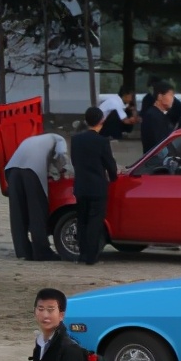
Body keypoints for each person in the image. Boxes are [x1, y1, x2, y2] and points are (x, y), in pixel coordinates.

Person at [4, 133, 69, 261]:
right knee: (37, 211)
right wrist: (64, 169)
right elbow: (61, 155)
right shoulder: (58, 138)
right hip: (31, 171)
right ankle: (42, 252)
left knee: (18, 213)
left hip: (11, 171)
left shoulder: (32, 140)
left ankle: (23, 251)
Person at [70, 108, 117, 266]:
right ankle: (91, 257)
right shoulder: (102, 141)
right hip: (97, 187)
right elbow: (110, 164)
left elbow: (74, 161)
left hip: (81, 186)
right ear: (101, 121)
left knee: (82, 220)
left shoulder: (76, 140)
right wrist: (114, 177)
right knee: (94, 222)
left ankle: (82, 255)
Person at [141, 82, 176, 153]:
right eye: (171, 95)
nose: (173, 99)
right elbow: (159, 143)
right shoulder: (152, 116)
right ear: (160, 96)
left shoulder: (160, 115)